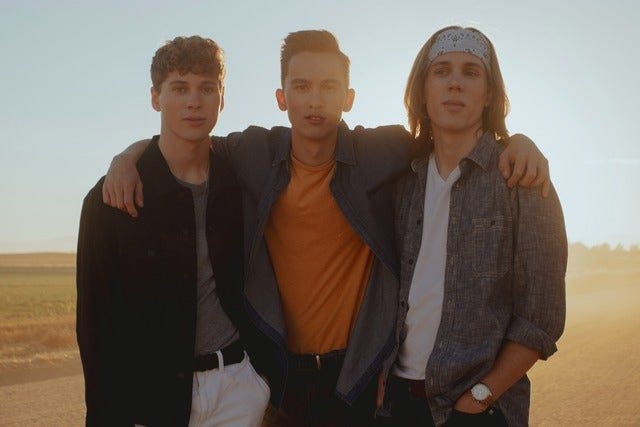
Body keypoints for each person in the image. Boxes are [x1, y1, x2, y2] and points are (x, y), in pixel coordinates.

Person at [101, 30, 550, 426]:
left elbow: (452, 132)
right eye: (301, 86)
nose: (315, 100)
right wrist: (126, 158)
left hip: (353, 377)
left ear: (348, 98)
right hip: (278, 375)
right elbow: (188, 140)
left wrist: (517, 141)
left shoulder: (380, 153)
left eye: (329, 87)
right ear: (282, 97)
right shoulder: (255, 153)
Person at [76, 36, 269, 426]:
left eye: (207, 88)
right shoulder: (111, 197)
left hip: (237, 389)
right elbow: (95, 324)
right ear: (155, 98)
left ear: (222, 99)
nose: (194, 102)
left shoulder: (241, 182)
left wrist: (261, 379)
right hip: (151, 398)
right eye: (179, 88)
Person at [380, 26, 566, 427]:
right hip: (395, 404)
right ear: (422, 90)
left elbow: (541, 316)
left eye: (471, 72)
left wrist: (479, 399)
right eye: (441, 71)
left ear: (489, 94)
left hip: (480, 408)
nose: (455, 83)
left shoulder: (522, 180)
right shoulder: (399, 182)